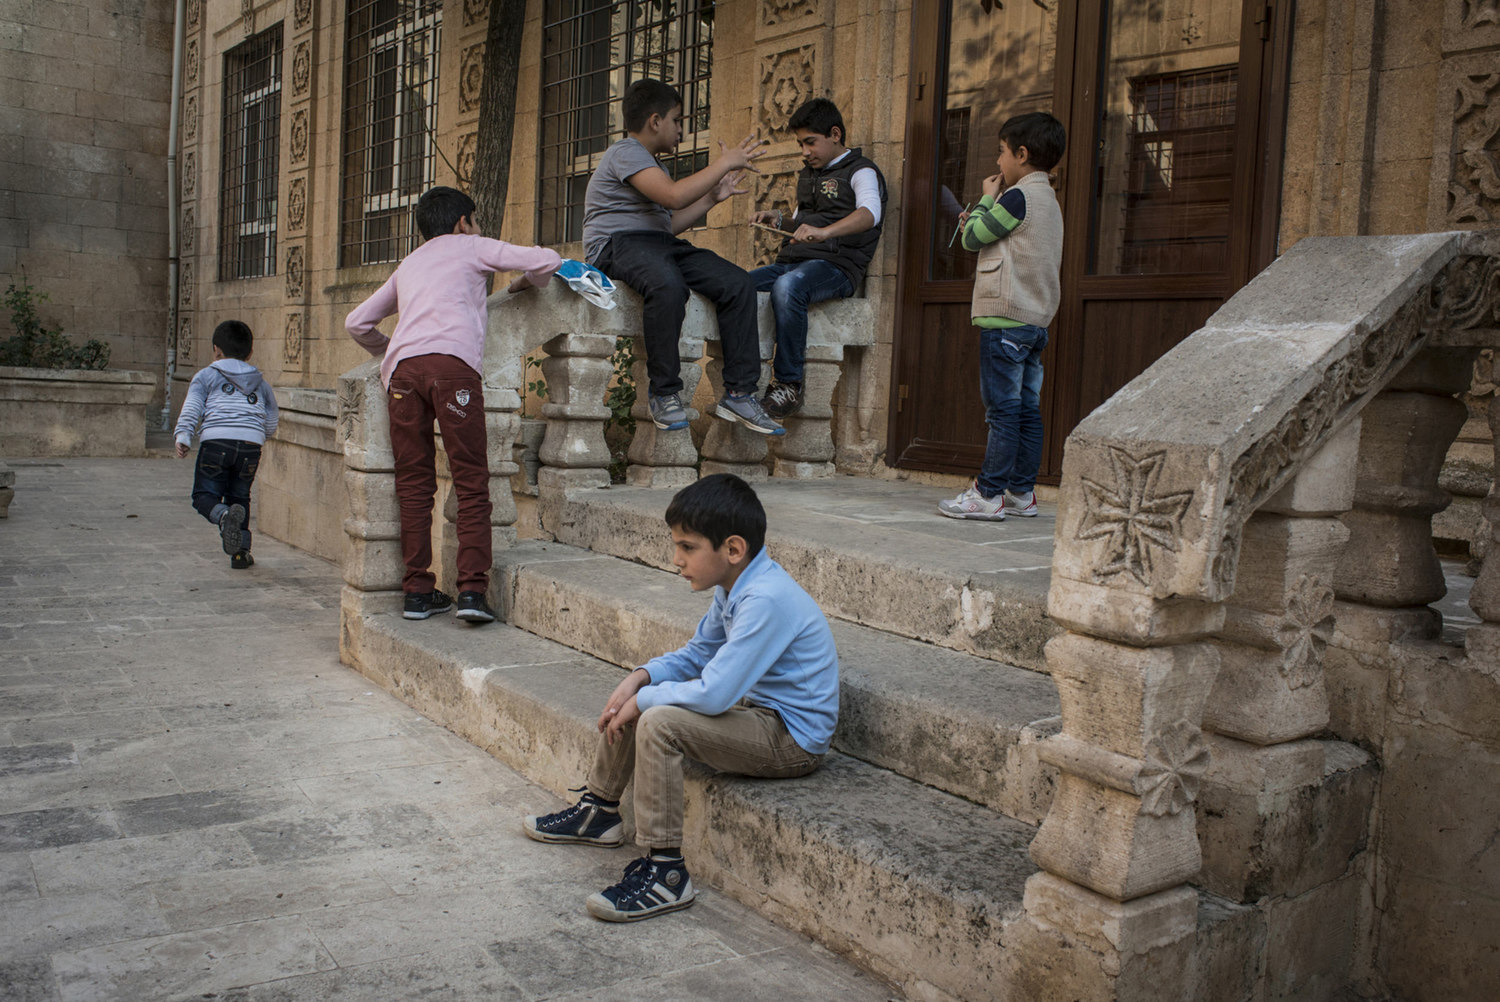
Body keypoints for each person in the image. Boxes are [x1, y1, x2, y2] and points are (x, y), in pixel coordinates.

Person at [522, 473, 838, 922]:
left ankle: (667, 872)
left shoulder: (766, 599)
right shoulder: (737, 585)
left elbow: (715, 694)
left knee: (658, 719)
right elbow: (696, 656)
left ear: (732, 549)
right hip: (760, 718)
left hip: (792, 740)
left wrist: (645, 701)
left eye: (687, 548)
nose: (676, 559)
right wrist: (641, 676)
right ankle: (599, 811)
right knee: (648, 695)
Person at [345, 186, 561, 624]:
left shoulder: (409, 264)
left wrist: (394, 351)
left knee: (413, 484)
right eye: (475, 222)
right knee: (470, 479)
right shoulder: (471, 246)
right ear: (463, 222)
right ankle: (470, 594)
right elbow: (548, 260)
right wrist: (528, 282)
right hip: (453, 371)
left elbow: (357, 322)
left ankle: (418, 594)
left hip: (403, 376)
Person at [583, 79, 785, 437]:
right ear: (655, 120)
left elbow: (668, 224)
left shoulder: (651, 165)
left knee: (738, 284)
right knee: (667, 285)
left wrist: (712, 199)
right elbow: (674, 198)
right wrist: (724, 164)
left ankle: (739, 393)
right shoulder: (626, 152)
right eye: (677, 120)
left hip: (655, 244)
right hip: (616, 245)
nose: (681, 130)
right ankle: (664, 393)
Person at [938, 111, 1066, 522]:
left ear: (1022, 154)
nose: (997, 163)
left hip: (1005, 321)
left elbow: (973, 238)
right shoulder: (1047, 199)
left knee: (1003, 411)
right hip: (1034, 322)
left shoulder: (1016, 195)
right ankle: (1022, 492)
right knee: (1027, 409)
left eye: (1002, 153)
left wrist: (985, 199)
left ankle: (987, 493)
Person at [747, 98, 887, 418]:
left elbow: (870, 214)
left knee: (788, 287)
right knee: (737, 284)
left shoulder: (862, 171)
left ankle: (788, 383)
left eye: (810, 142)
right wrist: (779, 220)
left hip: (837, 266)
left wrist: (826, 233)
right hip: (795, 260)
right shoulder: (809, 174)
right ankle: (742, 379)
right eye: (800, 144)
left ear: (835, 134)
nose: (804, 151)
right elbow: (804, 224)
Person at [174, 320, 279, 570]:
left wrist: (184, 436)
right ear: (250, 353)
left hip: (216, 441)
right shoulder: (261, 383)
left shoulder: (207, 376)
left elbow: (193, 406)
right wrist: (261, 435)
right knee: (239, 497)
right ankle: (241, 553)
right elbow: (271, 414)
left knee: (203, 496)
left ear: (216, 350)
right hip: (250, 446)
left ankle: (222, 516)